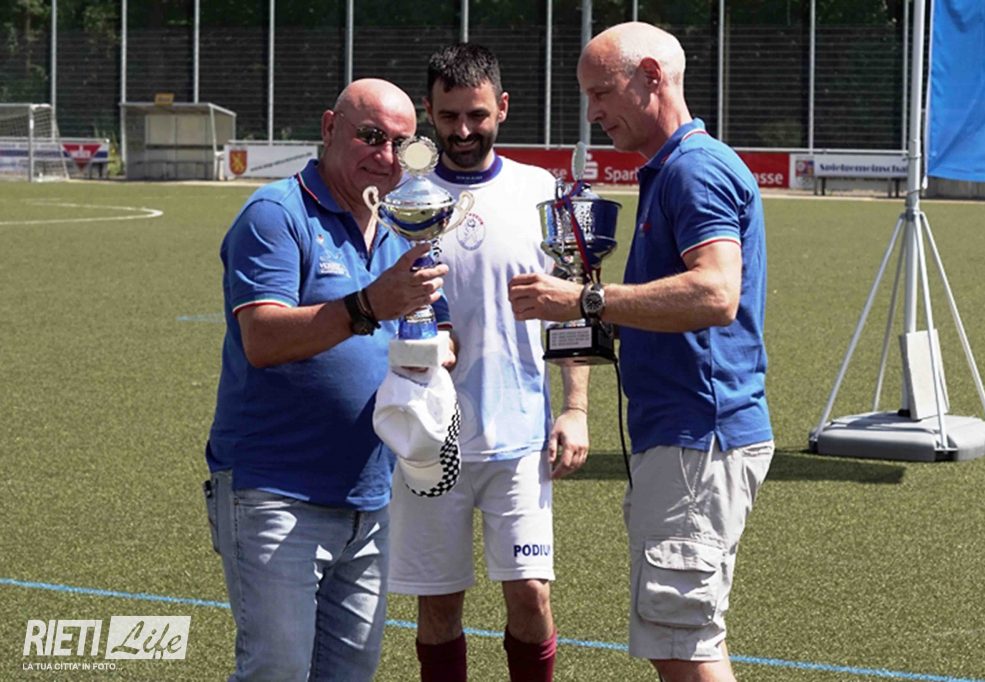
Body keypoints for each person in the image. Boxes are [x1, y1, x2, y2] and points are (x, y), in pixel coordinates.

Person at [508, 22, 774, 682]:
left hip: (697, 435)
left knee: (683, 643)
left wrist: (587, 300)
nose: (593, 113)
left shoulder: (694, 169)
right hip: (687, 433)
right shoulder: (674, 168)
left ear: (652, 77)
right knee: (680, 637)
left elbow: (716, 293)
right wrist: (593, 316)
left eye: (601, 93)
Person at [204, 78, 453, 682]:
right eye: (371, 136)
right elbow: (263, 339)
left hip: (368, 499)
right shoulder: (275, 213)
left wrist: (436, 357)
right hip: (276, 493)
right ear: (329, 128)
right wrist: (367, 306)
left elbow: (437, 327)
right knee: (277, 671)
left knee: (349, 674)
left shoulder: (396, 222)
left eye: (401, 143)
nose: (386, 156)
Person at [386, 43, 591, 682]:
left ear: (502, 106)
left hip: (520, 436)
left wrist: (576, 408)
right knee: (438, 606)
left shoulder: (542, 191)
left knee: (531, 596)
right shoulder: (402, 197)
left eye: (476, 115)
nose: (463, 131)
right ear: (429, 111)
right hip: (429, 437)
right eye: (448, 116)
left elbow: (572, 306)